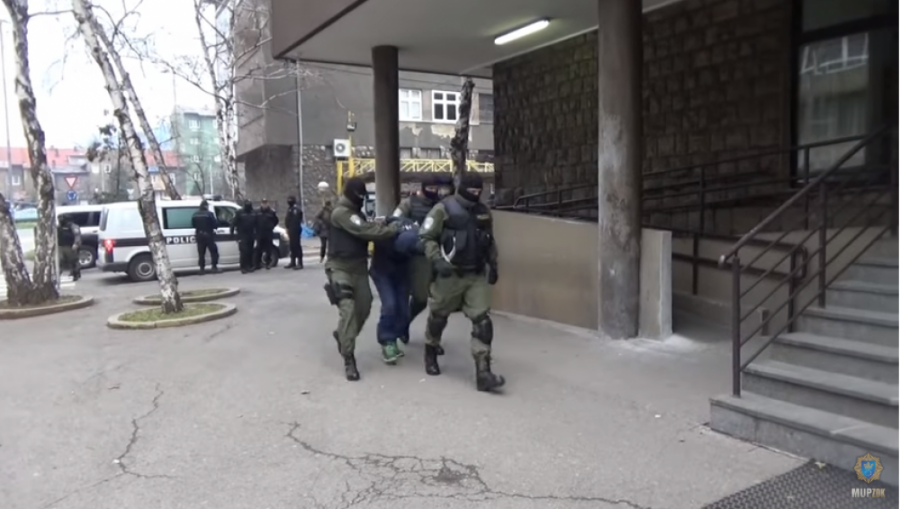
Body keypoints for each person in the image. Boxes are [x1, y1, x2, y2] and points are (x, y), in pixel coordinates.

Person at [419, 172, 504, 392]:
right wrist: (437, 261)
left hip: (475, 274)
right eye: (472, 191)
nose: (475, 195)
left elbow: (489, 241)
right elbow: (426, 237)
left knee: (482, 322)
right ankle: (431, 350)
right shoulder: (443, 209)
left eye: (478, 192)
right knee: (439, 316)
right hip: (450, 274)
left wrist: (493, 265)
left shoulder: (483, 211)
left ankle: (483, 372)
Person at [323, 177, 401, 381]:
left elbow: (364, 226)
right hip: (339, 267)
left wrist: (380, 224)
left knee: (364, 306)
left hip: (358, 268)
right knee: (348, 308)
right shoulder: (341, 212)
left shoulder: (356, 213)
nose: (361, 199)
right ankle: (348, 358)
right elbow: (364, 230)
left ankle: (343, 335)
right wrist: (393, 229)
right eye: (359, 196)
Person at [392, 174, 455, 347]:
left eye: (436, 189)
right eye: (431, 188)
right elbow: (395, 221)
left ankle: (433, 340)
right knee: (420, 298)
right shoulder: (410, 203)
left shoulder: (441, 206)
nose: (434, 192)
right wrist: (410, 232)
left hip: (439, 256)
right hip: (418, 257)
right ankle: (404, 324)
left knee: (441, 303)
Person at [369, 216, 422, 364]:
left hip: (402, 272)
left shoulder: (414, 235)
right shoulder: (384, 236)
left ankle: (394, 336)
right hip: (382, 271)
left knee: (403, 311)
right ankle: (387, 341)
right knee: (390, 305)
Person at [191, 200, 219, 275]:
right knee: (214, 252)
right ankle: (214, 268)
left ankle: (202, 269)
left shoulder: (195, 214)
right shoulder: (209, 214)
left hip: (199, 235)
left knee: (201, 253)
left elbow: (193, 225)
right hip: (208, 235)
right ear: (206, 206)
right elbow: (215, 225)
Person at [231, 200, 257, 274]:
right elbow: (233, 223)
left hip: (251, 234)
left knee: (250, 251)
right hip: (242, 235)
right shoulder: (239, 212)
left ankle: (249, 266)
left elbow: (257, 223)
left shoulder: (253, 213)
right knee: (244, 251)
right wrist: (232, 234)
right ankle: (243, 267)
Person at [254, 198, 279, 270]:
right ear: (261, 204)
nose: (264, 205)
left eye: (265, 203)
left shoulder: (271, 212)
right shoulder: (257, 212)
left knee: (268, 249)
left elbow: (276, 220)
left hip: (268, 233)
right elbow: (254, 221)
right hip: (260, 233)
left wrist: (271, 226)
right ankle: (257, 264)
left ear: (268, 204)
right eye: (263, 203)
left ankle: (268, 263)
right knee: (259, 249)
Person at [57, 214, 82, 281]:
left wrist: (76, 244)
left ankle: (76, 274)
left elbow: (77, 235)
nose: (59, 220)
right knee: (60, 261)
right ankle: (58, 275)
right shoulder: (59, 226)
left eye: (61, 219)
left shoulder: (73, 226)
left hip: (70, 246)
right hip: (60, 246)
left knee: (73, 261)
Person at [284, 196, 304, 270]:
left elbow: (295, 221)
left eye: (290, 200)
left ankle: (300, 263)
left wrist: (292, 229)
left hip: (295, 230)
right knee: (292, 246)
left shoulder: (296, 209)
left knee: (297, 246)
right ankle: (293, 262)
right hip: (290, 230)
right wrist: (288, 228)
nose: (289, 201)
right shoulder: (290, 209)